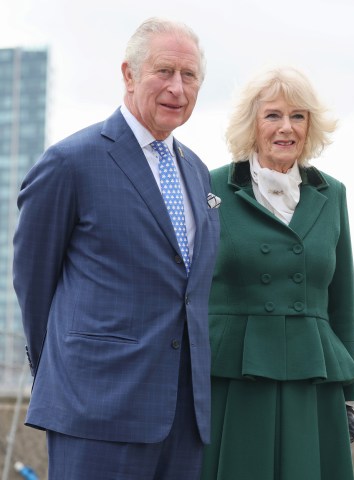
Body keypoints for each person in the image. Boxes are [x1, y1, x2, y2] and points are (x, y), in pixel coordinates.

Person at [13, 17, 220, 480]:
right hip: (96, 411)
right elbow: (33, 282)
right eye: (164, 71)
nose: (177, 88)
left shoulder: (198, 173)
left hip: (183, 416)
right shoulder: (70, 162)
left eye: (189, 77)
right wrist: (69, 378)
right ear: (129, 74)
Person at [200, 66, 354, 480]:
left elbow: (341, 301)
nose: (286, 128)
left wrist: (349, 396)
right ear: (251, 124)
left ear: (311, 126)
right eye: (272, 115)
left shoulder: (333, 193)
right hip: (233, 378)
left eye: (298, 116)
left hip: (313, 380)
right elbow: (189, 292)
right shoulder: (210, 188)